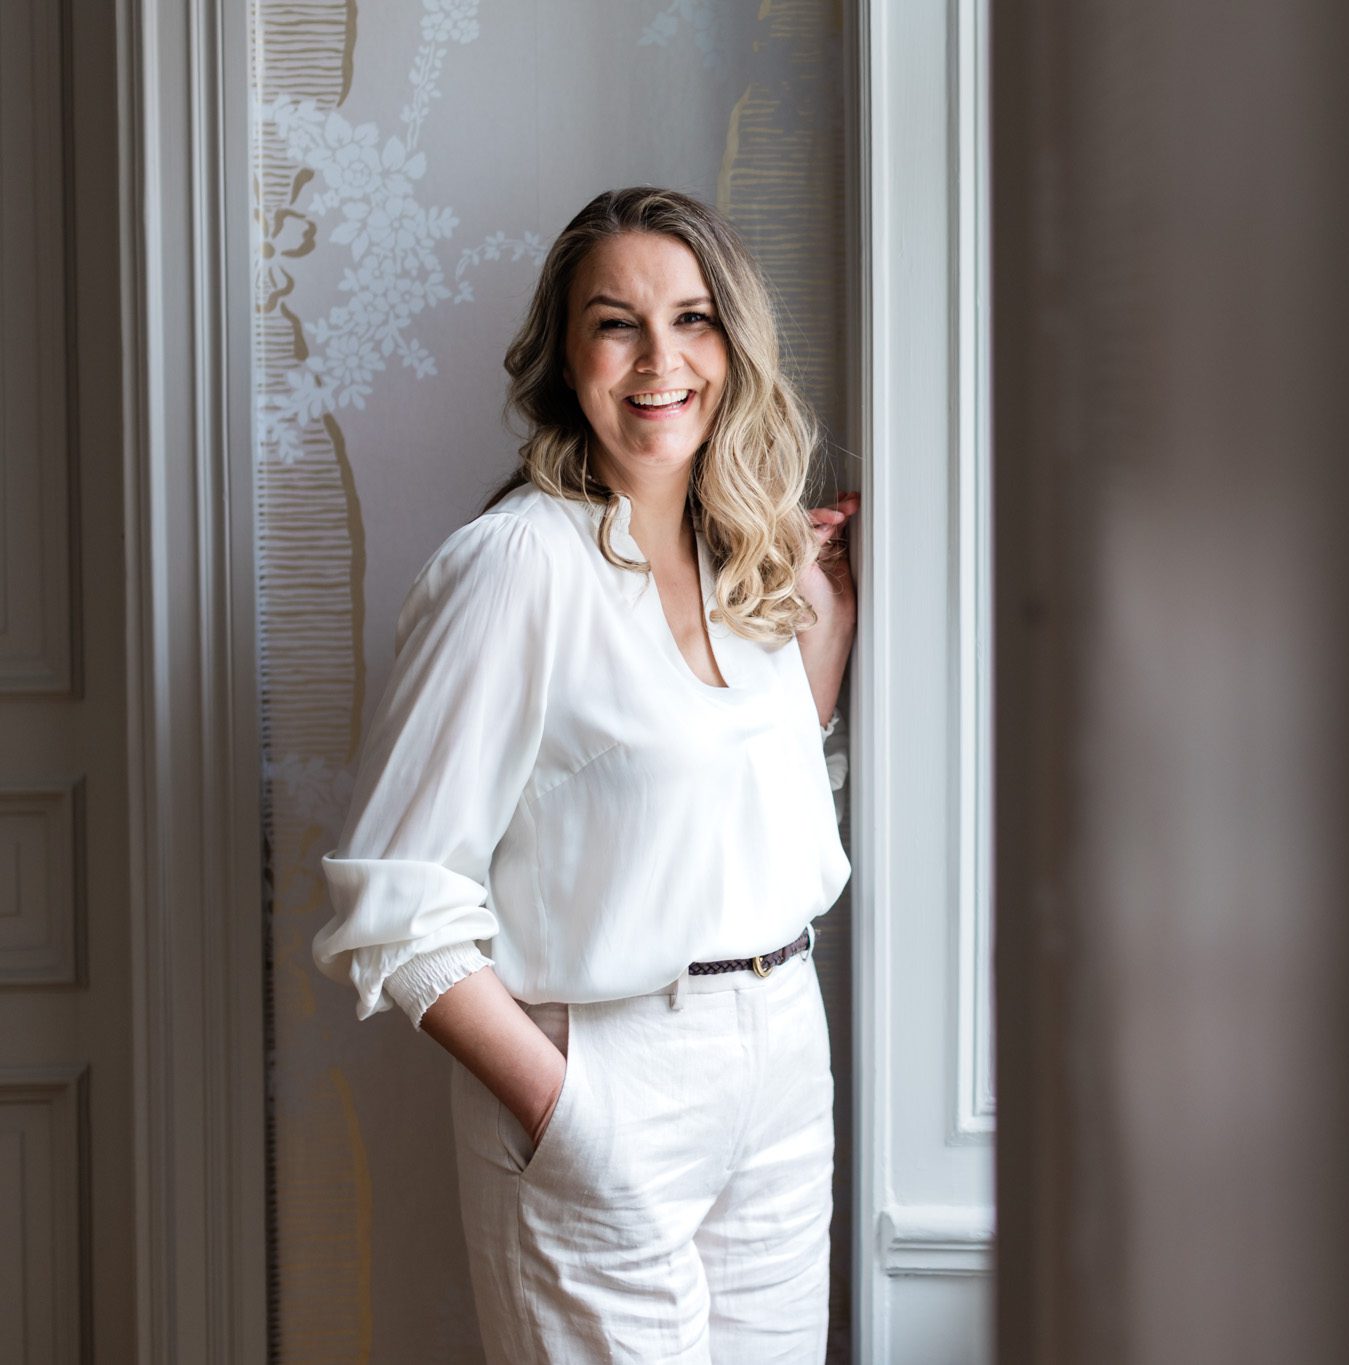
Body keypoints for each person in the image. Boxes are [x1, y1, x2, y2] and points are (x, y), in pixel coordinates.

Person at [310, 185, 859, 1363]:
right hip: (610, 1072)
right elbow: (395, 907)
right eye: (617, 324)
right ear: (567, 359)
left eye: (692, 319)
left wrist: (827, 616)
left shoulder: (747, 552)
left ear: (734, 345)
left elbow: (727, 804)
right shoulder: (514, 569)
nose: (660, 359)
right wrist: (570, 1115)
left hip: (780, 1058)